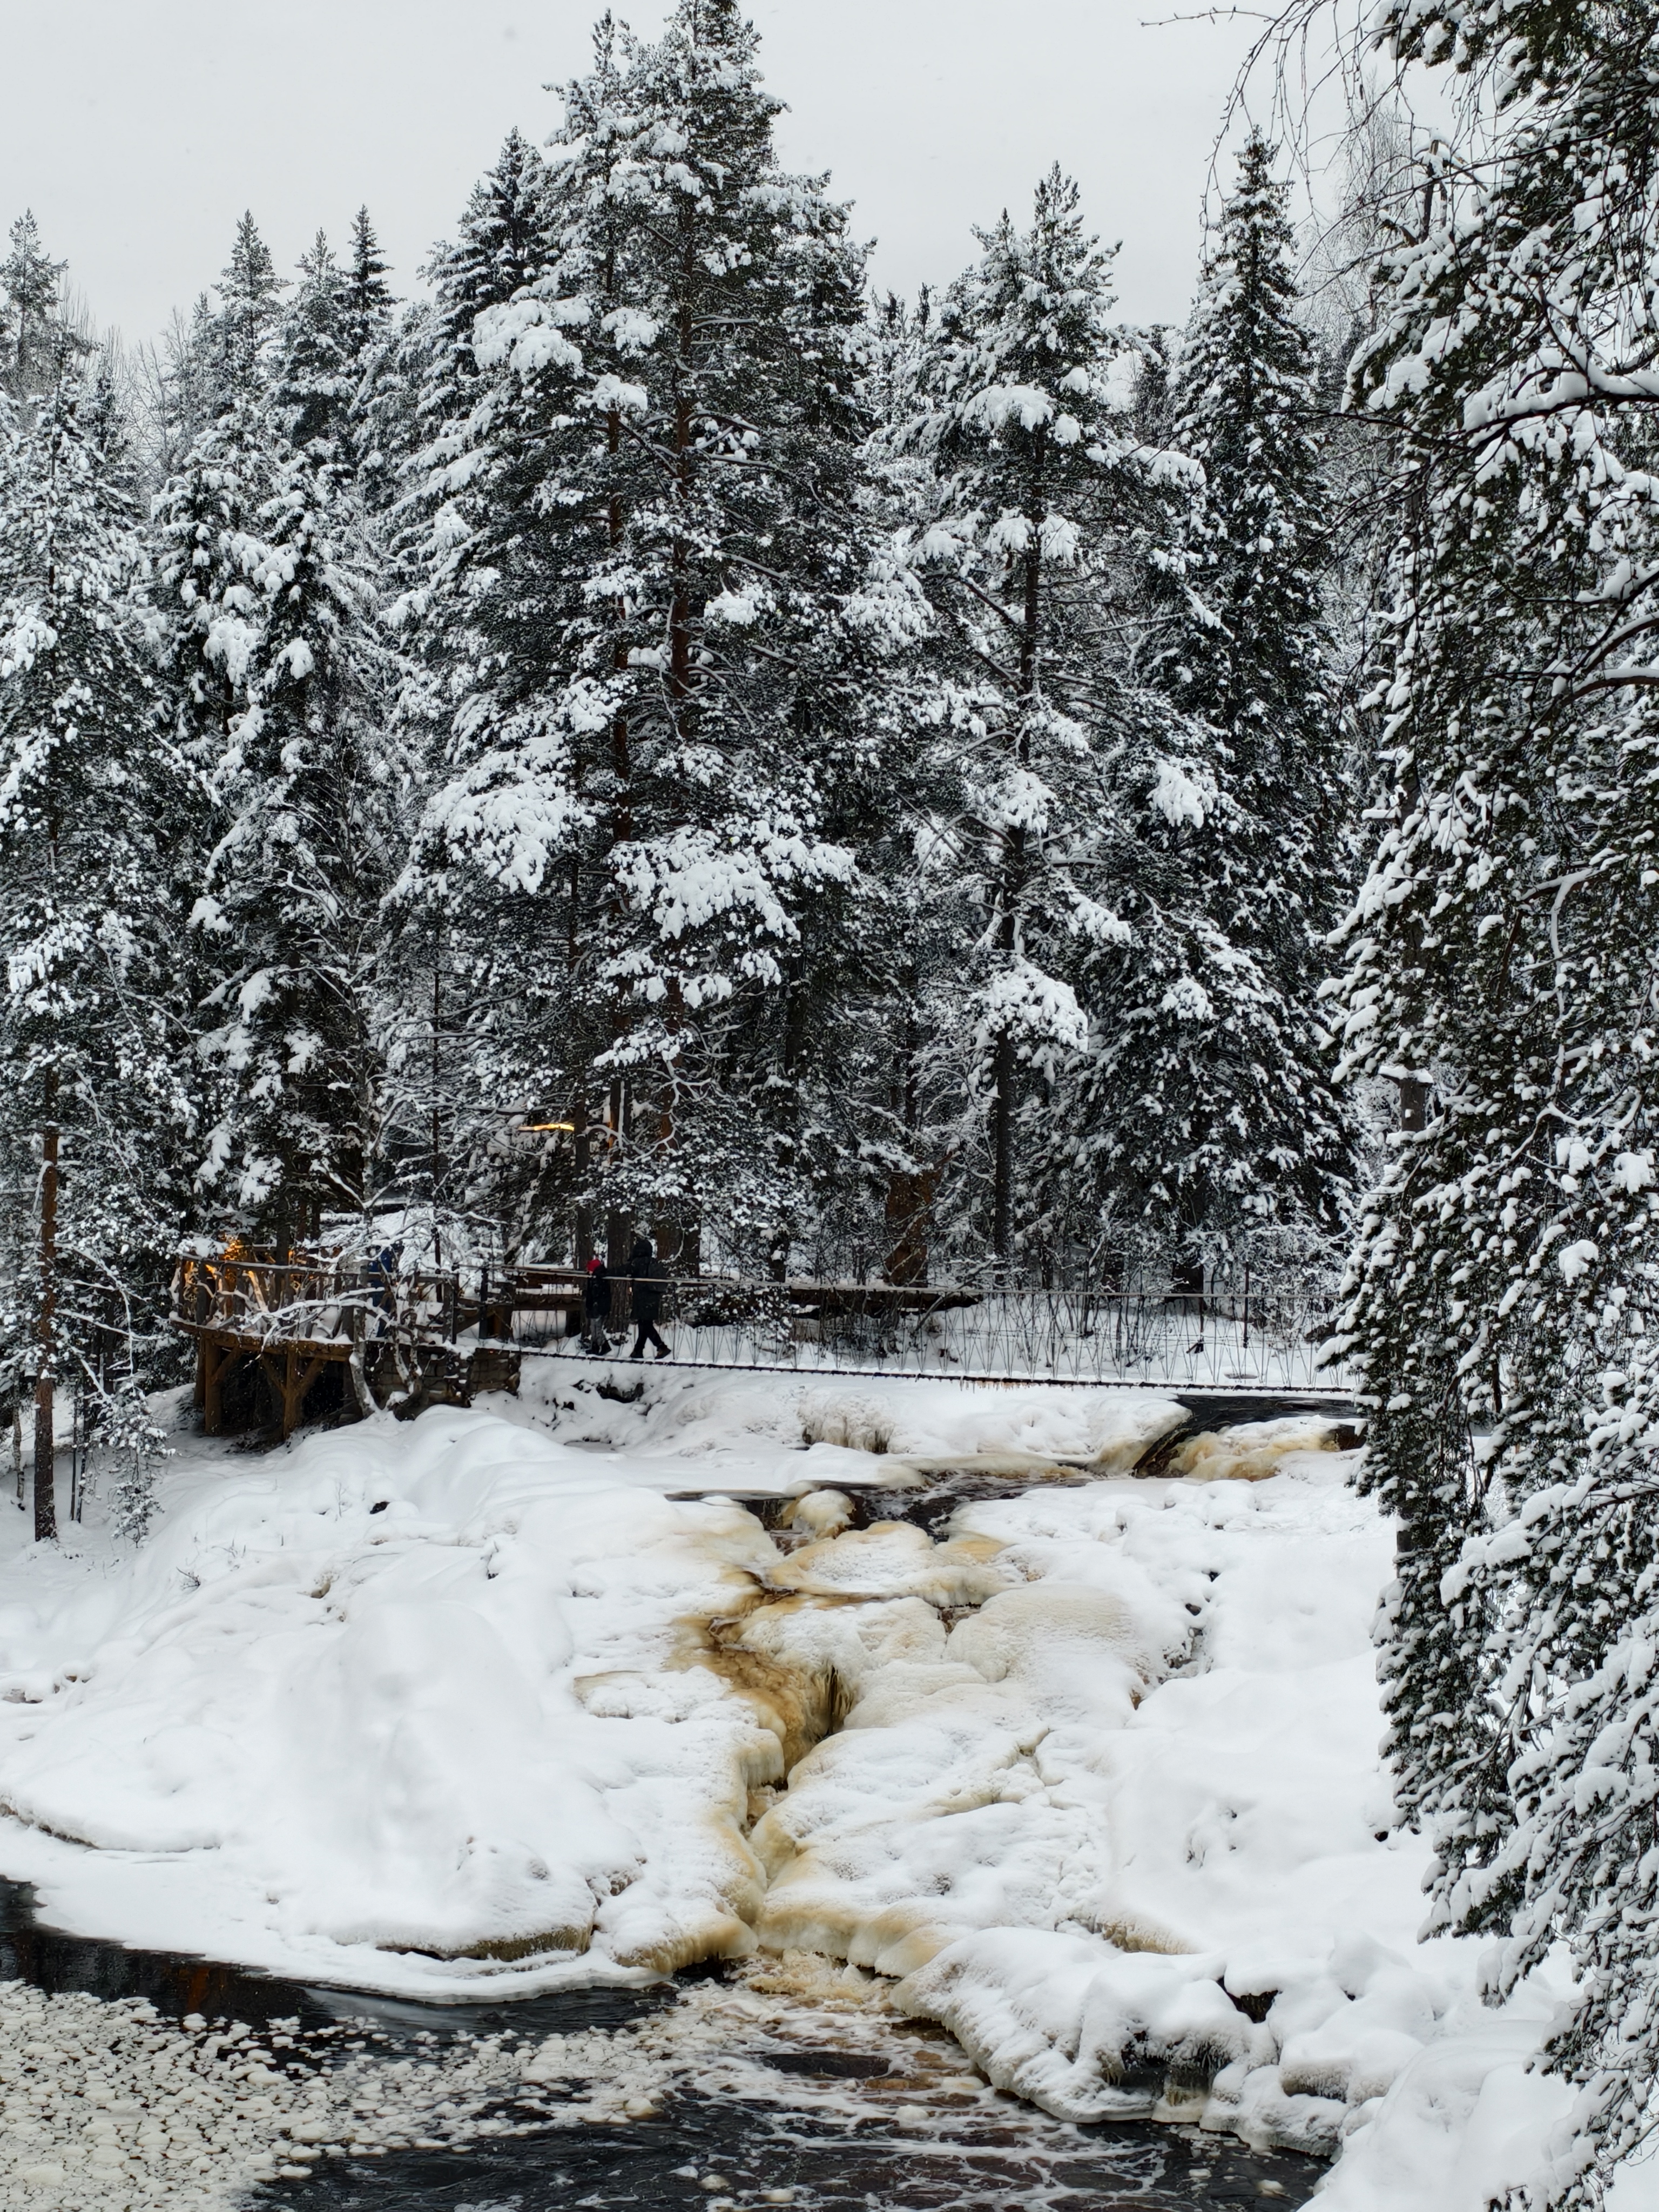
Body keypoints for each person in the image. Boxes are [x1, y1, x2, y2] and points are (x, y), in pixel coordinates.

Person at [627, 1235, 670, 1360]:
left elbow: (623, 1271)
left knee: (645, 1324)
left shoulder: (638, 1263)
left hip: (642, 1298)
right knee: (644, 1323)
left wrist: (604, 1273)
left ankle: (661, 1347)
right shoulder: (653, 1263)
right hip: (653, 1297)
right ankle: (638, 1350)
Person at [582, 1254, 613, 1354]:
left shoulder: (598, 1279)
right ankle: (595, 1345)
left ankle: (603, 1345)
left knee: (597, 1328)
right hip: (595, 1306)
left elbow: (597, 1293)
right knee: (593, 1327)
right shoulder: (595, 1278)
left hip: (598, 1307)